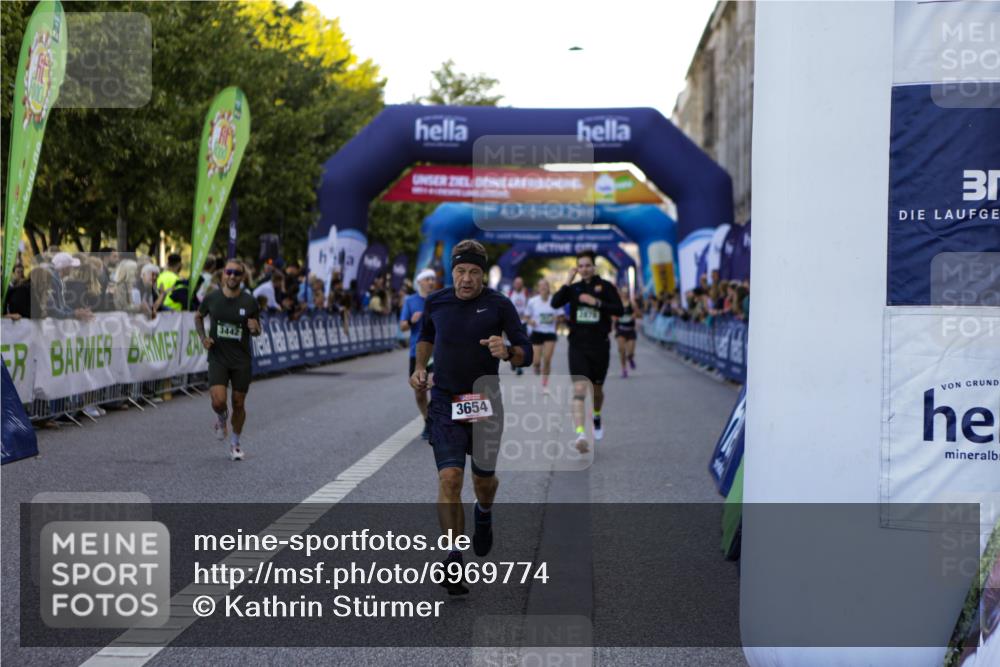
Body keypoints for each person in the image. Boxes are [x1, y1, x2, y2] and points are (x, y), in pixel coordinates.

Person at [410, 240, 531, 595]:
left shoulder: (499, 305)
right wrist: (419, 367)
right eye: (460, 271)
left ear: (483, 274)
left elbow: (527, 351)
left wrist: (508, 351)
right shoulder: (437, 301)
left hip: (484, 401)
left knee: (483, 482)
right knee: (449, 478)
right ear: (452, 272)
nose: (466, 279)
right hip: (445, 400)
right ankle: (452, 555)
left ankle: (484, 510)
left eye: (474, 272)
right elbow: (426, 336)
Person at [550, 250, 623, 451]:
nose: (584, 269)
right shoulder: (573, 289)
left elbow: (620, 310)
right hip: (577, 346)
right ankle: (581, 434)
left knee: (597, 391)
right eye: (580, 266)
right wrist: (568, 279)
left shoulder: (606, 287)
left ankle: (597, 415)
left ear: (594, 267)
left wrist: (596, 303)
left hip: (599, 345)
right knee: (580, 389)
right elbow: (555, 302)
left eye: (587, 265)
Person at [194, 259, 262, 461]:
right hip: (218, 357)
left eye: (237, 273)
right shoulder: (212, 298)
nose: (232, 276)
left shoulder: (249, 301)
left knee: (239, 403)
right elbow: (198, 316)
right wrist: (203, 338)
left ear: (243, 277)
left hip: (241, 360)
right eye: (229, 272)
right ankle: (221, 417)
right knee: (218, 401)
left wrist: (255, 328)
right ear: (223, 274)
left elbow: (258, 330)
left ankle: (235, 443)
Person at [400, 268, 437, 440]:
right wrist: (411, 321)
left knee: (435, 385)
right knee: (420, 391)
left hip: (436, 351)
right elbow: (402, 327)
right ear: (420, 282)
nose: (431, 282)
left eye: (432, 279)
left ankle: (436, 420)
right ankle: (427, 420)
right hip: (418, 352)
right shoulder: (410, 301)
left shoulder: (438, 299)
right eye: (427, 279)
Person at [523, 278, 560, 390]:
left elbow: (562, 317)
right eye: (541, 286)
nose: (543, 287)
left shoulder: (555, 301)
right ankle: (537, 367)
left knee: (547, 359)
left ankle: (545, 383)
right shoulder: (532, 301)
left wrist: (557, 318)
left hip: (550, 333)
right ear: (538, 288)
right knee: (536, 361)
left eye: (545, 285)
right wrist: (531, 322)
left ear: (548, 288)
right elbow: (526, 317)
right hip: (537, 333)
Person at [613, 286, 642, 378]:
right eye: (623, 292)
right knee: (621, 350)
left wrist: (635, 314)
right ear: (620, 293)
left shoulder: (632, 303)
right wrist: (615, 318)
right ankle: (624, 369)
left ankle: (630, 358)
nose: (625, 294)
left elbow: (640, 315)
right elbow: (612, 315)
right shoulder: (617, 303)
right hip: (621, 330)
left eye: (626, 292)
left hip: (630, 330)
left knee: (630, 352)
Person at [505, 277, 530, 376]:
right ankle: (513, 361)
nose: (518, 285)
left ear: (522, 284)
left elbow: (529, 306)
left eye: (520, 283)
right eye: (516, 283)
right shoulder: (510, 294)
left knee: (521, 345)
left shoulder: (526, 294)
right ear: (514, 284)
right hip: (511, 323)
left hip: (523, 323)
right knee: (511, 344)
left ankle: (519, 366)